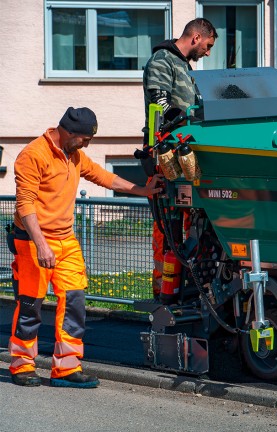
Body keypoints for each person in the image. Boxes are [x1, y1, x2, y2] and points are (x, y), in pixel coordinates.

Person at [8, 107, 163, 388]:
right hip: (33, 241)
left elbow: (104, 177)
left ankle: (66, 369)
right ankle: (22, 365)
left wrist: (141, 190)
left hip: (66, 239)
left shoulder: (74, 155)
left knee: (75, 302)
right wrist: (41, 245)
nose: (86, 145)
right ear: (68, 132)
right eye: (85, 139)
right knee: (30, 305)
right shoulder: (34, 154)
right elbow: (25, 204)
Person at [141, 18, 218, 299]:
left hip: (184, 155)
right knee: (168, 235)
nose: (208, 53)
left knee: (192, 230)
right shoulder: (163, 60)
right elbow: (160, 104)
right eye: (208, 46)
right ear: (196, 38)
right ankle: (164, 296)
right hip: (167, 156)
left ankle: (187, 291)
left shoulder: (183, 67)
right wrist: (185, 117)